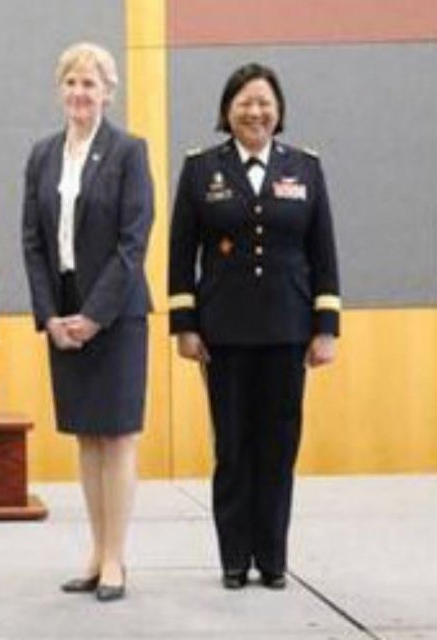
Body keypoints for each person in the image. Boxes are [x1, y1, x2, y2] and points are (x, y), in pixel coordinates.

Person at [168, 62, 339, 591]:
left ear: (279, 111)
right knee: (233, 448)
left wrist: (326, 325)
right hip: (225, 333)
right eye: (245, 102)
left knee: (278, 446)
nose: (255, 111)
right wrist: (185, 325)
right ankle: (234, 559)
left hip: (288, 330)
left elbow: (323, 252)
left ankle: (272, 558)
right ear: (227, 111)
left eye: (265, 102)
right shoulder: (201, 170)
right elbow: (180, 254)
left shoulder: (306, 168)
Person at [21, 42, 153, 602]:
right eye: (71, 82)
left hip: (115, 314)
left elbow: (133, 242)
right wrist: (50, 314)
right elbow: (31, 241)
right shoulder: (43, 154)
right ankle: (95, 553)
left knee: (117, 436)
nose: (80, 93)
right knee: (86, 438)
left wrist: (94, 316)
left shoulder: (128, 151)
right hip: (63, 311)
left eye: (90, 84)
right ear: (61, 90)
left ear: (108, 92)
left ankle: (117, 559)